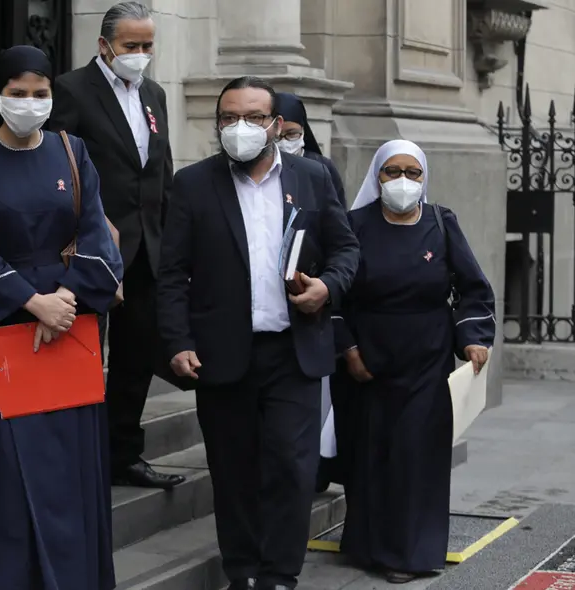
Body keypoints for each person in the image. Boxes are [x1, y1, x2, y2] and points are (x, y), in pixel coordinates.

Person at [157, 76, 360, 590]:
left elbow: (346, 250)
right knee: (233, 470)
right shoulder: (193, 183)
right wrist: (178, 342)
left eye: (251, 118)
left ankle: (279, 574)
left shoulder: (311, 177)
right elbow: (172, 273)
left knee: (292, 469)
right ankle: (242, 570)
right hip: (222, 353)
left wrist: (327, 290)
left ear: (274, 125)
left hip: (294, 352)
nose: (239, 128)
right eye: (228, 117)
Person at [0, 45, 123, 590]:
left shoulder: (73, 150)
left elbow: (95, 233)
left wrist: (64, 297)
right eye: (17, 93)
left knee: (69, 463)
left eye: (39, 93)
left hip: (69, 327)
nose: (29, 102)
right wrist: (30, 301)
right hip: (3, 332)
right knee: (5, 464)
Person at [334, 140, 495, 584]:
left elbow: (472, 288)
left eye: (412, 172)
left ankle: (411, 554)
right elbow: (335, 297)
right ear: (376, 177)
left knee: (415, 454)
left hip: (427, 357)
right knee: (371, 455)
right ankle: (368, 544)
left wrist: (473, 339)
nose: (402, 181)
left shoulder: (441, 224)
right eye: (392, 172)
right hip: (366, 360)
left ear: (424, 178)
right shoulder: (353, 225)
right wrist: (348, 350)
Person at [50, 1, 183, 490]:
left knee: (135, 356)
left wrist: (169, 241)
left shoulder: (154, 93)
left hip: (146, 248)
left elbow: (160, 170)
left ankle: (122, 453)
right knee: (81, 353)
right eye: (132, 46)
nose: (141, 54)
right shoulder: (70, 90)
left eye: (148, 45)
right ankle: (73, 459)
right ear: (104, 45)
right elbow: (58, 166)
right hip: (91, 246)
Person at [275, 92, 349, 494]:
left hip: (312, 290)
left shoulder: (319, 170)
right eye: (280, 132)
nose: (287, 140)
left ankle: (317, 466)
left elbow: (338, 233)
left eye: (295, 133)